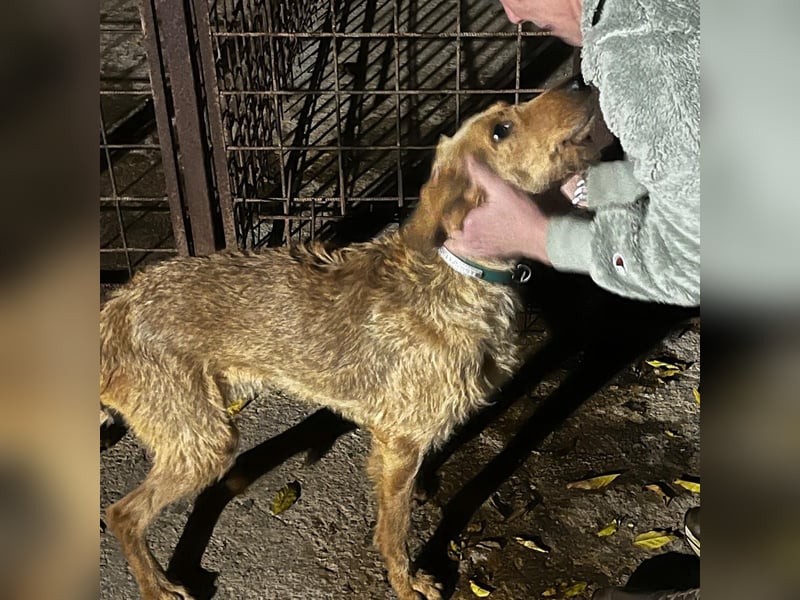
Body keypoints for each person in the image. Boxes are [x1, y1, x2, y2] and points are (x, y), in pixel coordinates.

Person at [444, 0, 700, 308]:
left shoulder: (641, 59)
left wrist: (539, 238)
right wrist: (596, 187)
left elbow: (693, 264)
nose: (513, 17)